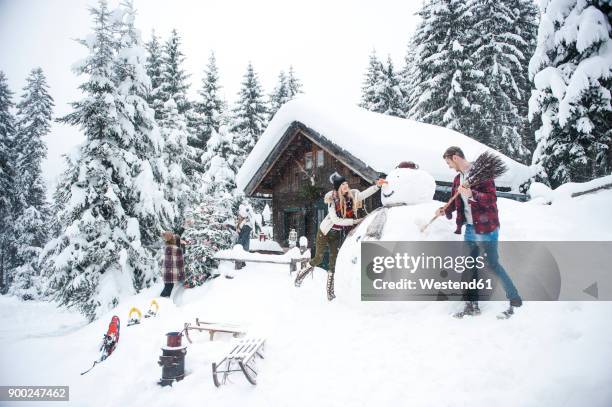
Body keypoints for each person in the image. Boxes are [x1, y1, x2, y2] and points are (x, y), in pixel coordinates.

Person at [435, 146, 522, 318]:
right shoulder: (457, 179)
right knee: (469, 267)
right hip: (470, 228)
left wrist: (471, 193)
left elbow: (491, 199)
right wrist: (444, 210)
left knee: (492, 264)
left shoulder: (482, 173)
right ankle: (472, 305)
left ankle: (514, 297)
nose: (449, 166)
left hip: (487, 227)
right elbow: (455, 202)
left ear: (456, 157)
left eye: (449, 162)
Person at [294, 172, 387, 300]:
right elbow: (336, 220)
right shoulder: (332, 201)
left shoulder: (353, 196)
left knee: (333, 263)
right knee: (318, 259)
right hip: (325, 232)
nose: (346, 185)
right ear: (338, 187)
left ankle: (330, 292)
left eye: (346, 183)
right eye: (343, 184)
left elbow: (365, 194)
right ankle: (301, 274)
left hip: (336, 234)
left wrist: (377, 186)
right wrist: (354, 222)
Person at [160, 231, 185, 305]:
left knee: (167, 287)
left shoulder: (166, 247)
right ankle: (160, 303)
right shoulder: (177, 249)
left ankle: (161, 302)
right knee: (167, 290)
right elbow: (180, 264)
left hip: (165, 272)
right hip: (171, 273)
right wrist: (182, 277)